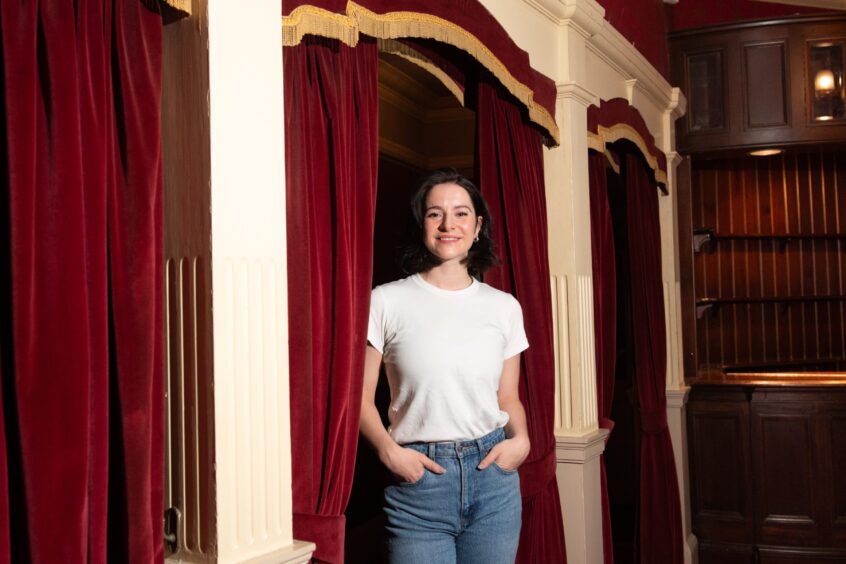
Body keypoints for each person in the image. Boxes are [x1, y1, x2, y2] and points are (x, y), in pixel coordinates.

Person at [360, 169, 530, 564]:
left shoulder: (504, 307)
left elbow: (508, 397)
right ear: (423, 224)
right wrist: (389, 453)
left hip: (494, 481)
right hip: (419, 484)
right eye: (435, 213)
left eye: (461, 213)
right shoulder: (386, 302)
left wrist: (521, 440)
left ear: (478, 226)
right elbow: (359, 399)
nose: (448, 224)